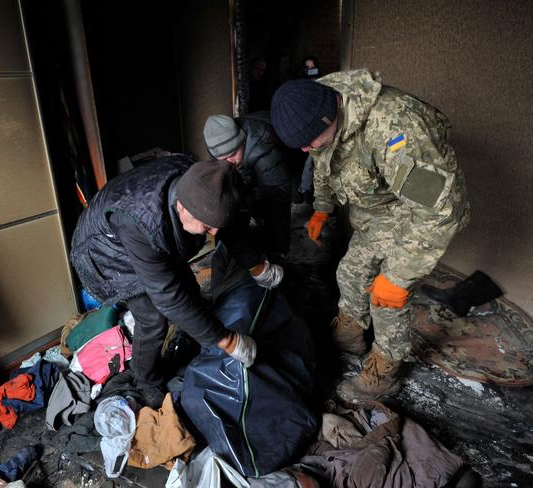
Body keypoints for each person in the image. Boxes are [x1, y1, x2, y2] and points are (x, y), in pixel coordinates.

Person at [270, 70, 470, 400]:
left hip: (416, 215)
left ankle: (384, 371)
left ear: (328, 115)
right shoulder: (320, 109)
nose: (307, 150)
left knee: (387, 297)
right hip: (376, 214)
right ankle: (350, 336)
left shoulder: (395, 127)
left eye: (310, 141)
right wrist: (323, 207)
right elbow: (324, 163)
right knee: (349, 273)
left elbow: (440, 211)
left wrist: (401, 274)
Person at [70, 156, 283, 408]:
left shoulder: (202, 182)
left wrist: (257, 266)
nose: (213, 233)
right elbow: (167, 296)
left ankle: (190, 335)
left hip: (149, 232)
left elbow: (227, 224)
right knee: (153, 318)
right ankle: (146, 380)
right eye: (206, 226)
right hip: (106, 250)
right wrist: (228, 340)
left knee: (189, 289)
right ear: (181, 207)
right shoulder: (140, 223)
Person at [203, 113, 292, 257]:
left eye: (232, 154)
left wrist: (278, 245)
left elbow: (280, 196)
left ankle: (279, 253)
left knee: (274, 208)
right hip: (249, 166)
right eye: (223, 159)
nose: (229, 162)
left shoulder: (265, 153)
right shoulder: (216, 144)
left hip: (275, 173)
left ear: (242, 142)